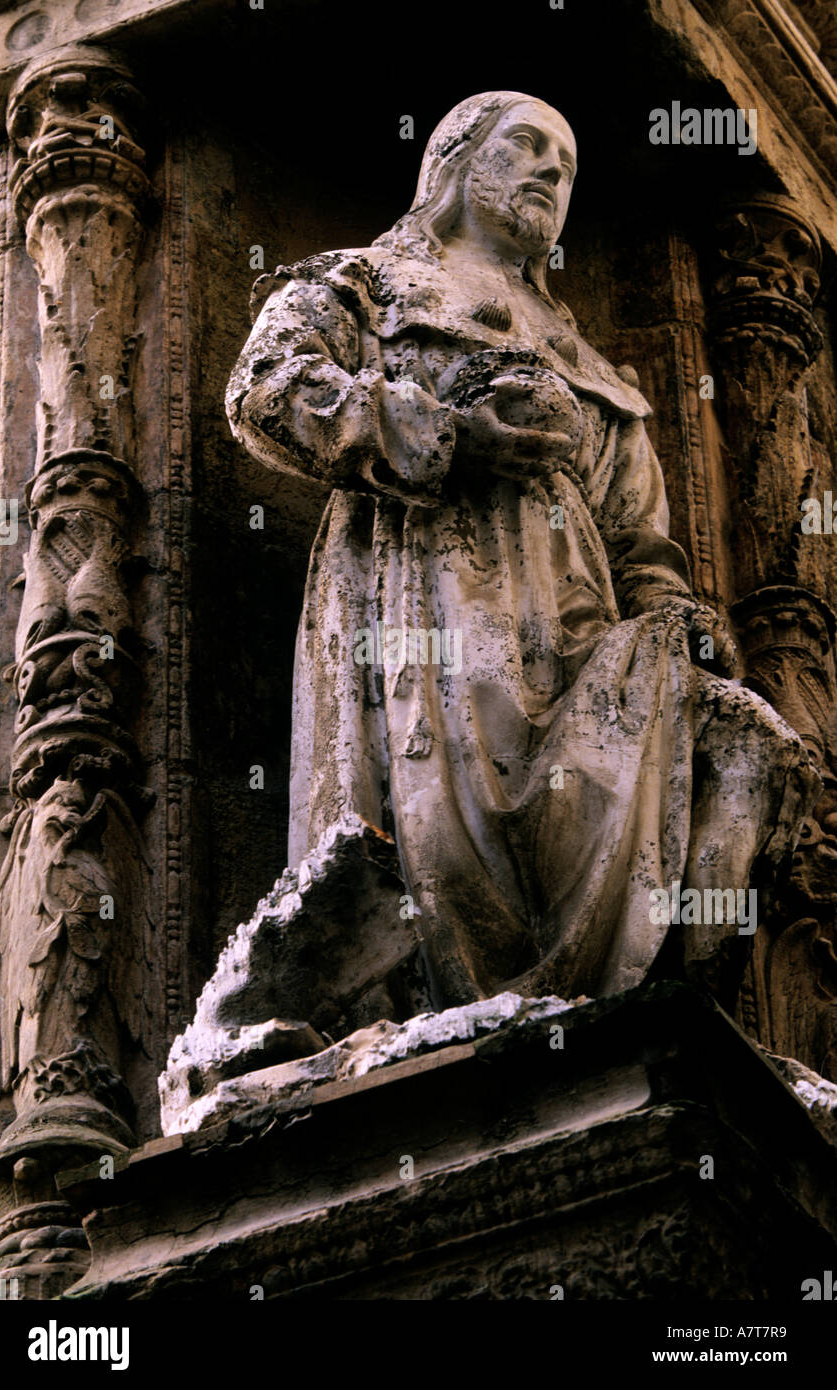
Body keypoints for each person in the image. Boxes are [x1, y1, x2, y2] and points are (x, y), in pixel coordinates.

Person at [226, 91, 818, 1012]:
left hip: (580, 618)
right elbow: (267, 388)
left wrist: (677, 615)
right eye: (530, 146)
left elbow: (636, 527)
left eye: (569, 165)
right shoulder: (368, 286)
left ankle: (660, 1016)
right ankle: (452, 1016)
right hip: (434, 588)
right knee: (447, 833)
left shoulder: (584, 358)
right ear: (455, 164)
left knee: (746, 747)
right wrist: (451, 437)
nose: (552, 171)